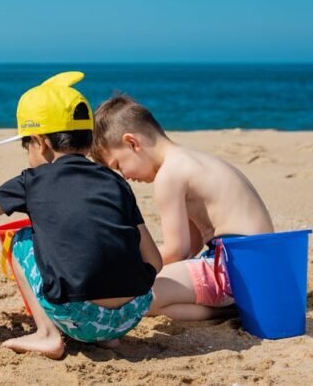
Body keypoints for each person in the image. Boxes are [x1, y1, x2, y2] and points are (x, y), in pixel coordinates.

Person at [0, 73, 162, 358]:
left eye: (26, 145)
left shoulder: (33, 181)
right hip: (132, 312)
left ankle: (48, 335)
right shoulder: (116, 182)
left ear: (40, 142)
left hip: (79, 314)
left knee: (21, 239)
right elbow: (154, 260)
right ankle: (106, 338)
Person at [92, 94, 274, 321]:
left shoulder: (169, 176)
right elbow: (193, 242)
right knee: (156, 289)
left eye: (118, 165)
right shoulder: (192, 160)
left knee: (138, 299)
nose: (125, 176)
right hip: (262, 267)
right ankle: (233, 308)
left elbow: (176, 249)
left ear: (132, 143)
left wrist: (134, 272)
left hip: (235, 270)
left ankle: (230, 311)